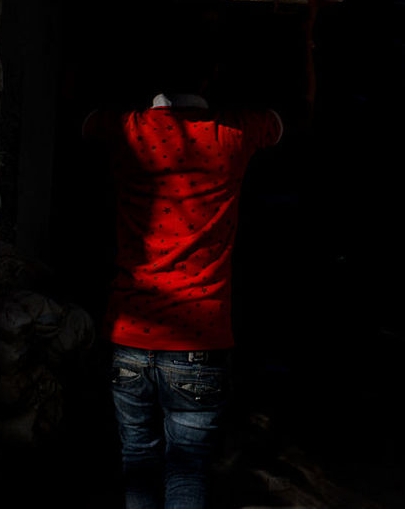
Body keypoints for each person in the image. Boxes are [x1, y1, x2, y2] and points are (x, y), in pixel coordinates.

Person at [84, 52, 283, 508]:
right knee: (187, 471)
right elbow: (284, 120)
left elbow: (85, 119)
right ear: (210, 76)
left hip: (130, 339)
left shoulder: (126, 128)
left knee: (137, 461)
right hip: (199, 342)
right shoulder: (231, 132)